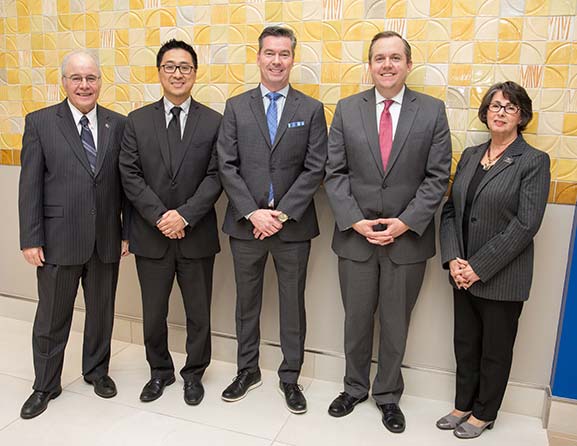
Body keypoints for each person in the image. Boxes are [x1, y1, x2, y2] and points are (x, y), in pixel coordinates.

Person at [324, 31, 452, 433]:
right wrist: (354, 219)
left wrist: (405, 222)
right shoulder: (346, 109)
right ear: (369, 65)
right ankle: (354, 388)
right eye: (379, 58)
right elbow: (335, 172)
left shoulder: (431, 110)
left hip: (406, 241)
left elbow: (436, 177)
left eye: (395, 58)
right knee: (356, 321)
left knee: (396, 324)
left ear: (408, 65)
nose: (387, 65)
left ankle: (388, 395)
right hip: (355, 237)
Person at [217, 25, 327, 414]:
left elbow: (315, 168)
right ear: (258, 56)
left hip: (292, 227)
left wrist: (279, 214)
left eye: (284, 54)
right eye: (269, 53)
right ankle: (247, 370)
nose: (276, 60)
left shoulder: (310, 109)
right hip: (246, 225)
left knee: (291, 303)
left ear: (292, 58)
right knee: (246, 302)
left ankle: (290, 377)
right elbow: (226, 166)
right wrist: (253, 212)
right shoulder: (236, 106)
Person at [18, 50, 129, 419]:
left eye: (91, 78)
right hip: (57, 239)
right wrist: (31, 238)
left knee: (101, 313)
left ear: (101, 82)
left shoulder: (119, 124)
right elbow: (30, 186)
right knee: (51, 317)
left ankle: (97, 371)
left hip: (106, 239)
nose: (85, 85)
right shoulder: (40, 123)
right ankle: (45, 385)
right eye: (77, 78)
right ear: (63, 82)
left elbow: (127, 185)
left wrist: (126, 231)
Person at [437, 81, 550, 439]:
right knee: (466, 344)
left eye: (510, 107)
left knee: (495, 351)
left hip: (501, 275)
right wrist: (454, 258)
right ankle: (462, 404)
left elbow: (526, 224)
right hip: (461, 271)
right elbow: (452, 210)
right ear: (485, 112)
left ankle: (484, 413)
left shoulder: (533, 161)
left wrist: (478, 268)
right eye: (495, 106)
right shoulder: (470, 155)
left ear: (522, 116)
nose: (500, 112)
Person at [119, 39, 222, 406]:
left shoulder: (214, 121)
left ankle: (194, 373)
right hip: (152, 234)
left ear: (195, 73)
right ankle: (159, 371)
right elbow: (129, 175)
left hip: (196, 234)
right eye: (170, 66)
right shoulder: (137, 121)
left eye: (185, 67)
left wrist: (185, 215)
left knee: (198, 313)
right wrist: (162, 216)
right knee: (154, 313)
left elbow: (216, 175)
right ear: (159, 71)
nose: (178, 73)